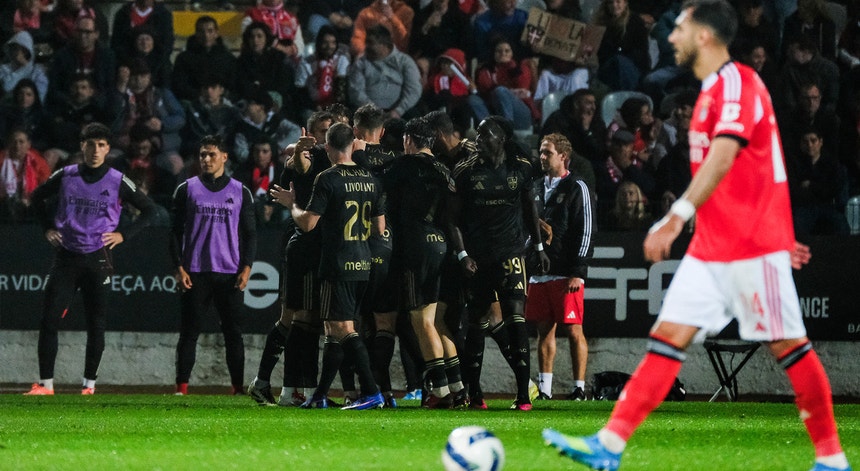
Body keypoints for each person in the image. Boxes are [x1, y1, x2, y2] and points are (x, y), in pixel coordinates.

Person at [543, 3, 852, 471]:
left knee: (789, 345)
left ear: (705, 36)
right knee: (667, 339)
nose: (672, 37)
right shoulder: (712, 90)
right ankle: (609, 444)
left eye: (681, 28)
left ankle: (832, 457)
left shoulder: (737, 83)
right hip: (714, 244)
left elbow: (728, 154)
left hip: (750, 247)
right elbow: (756, 169)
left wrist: (676, 216)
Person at [24, 122, 155, 395]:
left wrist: (123, 235)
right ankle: (46, 385)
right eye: (91, 144)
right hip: (67, 256)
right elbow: (35, 197)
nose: (96, 150)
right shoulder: (66, 174)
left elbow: (150, 211)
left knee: (96, 323)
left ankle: (89, 386)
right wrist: (47, 227)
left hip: (98, 258)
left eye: (101, 145)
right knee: (49, 319)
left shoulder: (118, 180)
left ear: (108, 149)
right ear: (82, 146)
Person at [269, 122, 386, 410]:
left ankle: (372, 392)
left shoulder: (328, 178)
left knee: (342, 328)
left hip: (339, 262)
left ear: (330, 147)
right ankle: (320, 395)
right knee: (333, 330)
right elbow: (379, 228)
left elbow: (308, 223)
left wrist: (291, 203)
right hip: (364, 261)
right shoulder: (371, 179)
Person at [448, 115, 550, 411]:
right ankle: (475, 394)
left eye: (484, 134)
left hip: (511, 253)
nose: (477, 139)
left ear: (501, 138)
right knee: (477, 323)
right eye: (477, 134)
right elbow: (451, 219)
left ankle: (522, 395)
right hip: (479, 259)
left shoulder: (521, 168)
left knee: (516, 318)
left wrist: (539, 248)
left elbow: (530, 207)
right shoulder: (465, 171)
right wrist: (463, 254)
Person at [382, 117, 464, 408]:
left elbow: (378, 180)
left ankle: (439, 391)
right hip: (442, 245)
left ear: (409, 140)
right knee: (436, 320)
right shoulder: (445, 170)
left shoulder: (404, 166)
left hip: (416, 246)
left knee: (421, 320)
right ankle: (457, 386)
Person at [171, 134, 257, 396]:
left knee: (233, 333)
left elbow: (251, 233)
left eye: (211, 154)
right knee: (189, 333)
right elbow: (174, 232)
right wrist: (178, 267)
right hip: (195, 271)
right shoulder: (186, 189)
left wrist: (247, 267)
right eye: (202, 155)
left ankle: (237, 388)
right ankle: (181, 388)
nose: (206, 159)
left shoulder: (240, 191)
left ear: (224, 157)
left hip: (229, 273)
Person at [526, 133, 595, 401]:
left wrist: (578, 271)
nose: (542, 157)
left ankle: (579, 388)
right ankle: (545, 390)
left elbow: (586, 229)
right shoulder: (534, 187)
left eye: (547, 152)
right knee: (544, 330)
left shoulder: (577, 186)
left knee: (574, 330)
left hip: (567, 272)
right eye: (541, 152)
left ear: (563, 156)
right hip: (541, 272)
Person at [348, 25, 422, 120]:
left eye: (371, 43)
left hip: (400, 111)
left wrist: (398, 111)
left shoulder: (404, 61)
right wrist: (374, 111)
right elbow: (356, 91)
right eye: (367, 42)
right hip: (368, 112)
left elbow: (414, 89)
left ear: (384, 44)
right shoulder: (361, 63)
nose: (367, 46)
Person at [476, 38, 539, 132]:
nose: (503, 54)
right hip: (495, 110)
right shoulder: (487, 70)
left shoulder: (521, 67)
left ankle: (507, 131)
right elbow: (484, 89)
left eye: (507, 51)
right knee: (473, 99)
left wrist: (509, 67)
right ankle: (488, 131)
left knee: (500, 91)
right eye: (499, 51)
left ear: (512, 53)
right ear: (493, 53)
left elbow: (523, 91)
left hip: (521, 113)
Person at [171, 16, 237, 104]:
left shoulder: (228, 58)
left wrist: (219, 96)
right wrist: (199, 95)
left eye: (210, 31)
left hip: (222, 104)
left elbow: (234, 85)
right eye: (201, 31)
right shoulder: (184, 58)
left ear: (216, 33)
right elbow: (179, 85)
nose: (206, 35)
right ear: (196, 33)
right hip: (192, 104)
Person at [0, 127, 51, 222]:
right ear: (8, 144)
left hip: (30, 203)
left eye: (21, 142)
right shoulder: (1, 159)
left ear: (28, 144)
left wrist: (32, 199)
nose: (17, 145)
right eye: (14, 142)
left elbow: (46, 184)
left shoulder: (38, 162)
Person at [350, 0, 414, 58]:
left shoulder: (406, 12)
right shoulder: (366, 13)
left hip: (394, 59)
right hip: (370, 57)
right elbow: (357, 39)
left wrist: (392, 18)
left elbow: (404, 41)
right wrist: (366, 52)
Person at [0, 31, 49, 103]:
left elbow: (40, 98)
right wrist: (24, 69)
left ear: (26, 50)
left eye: (16, 48)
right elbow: (6, 86)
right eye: (12, 48)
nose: (12, 51)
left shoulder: (37, 72)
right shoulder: (3, 69)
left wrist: (26, 66)